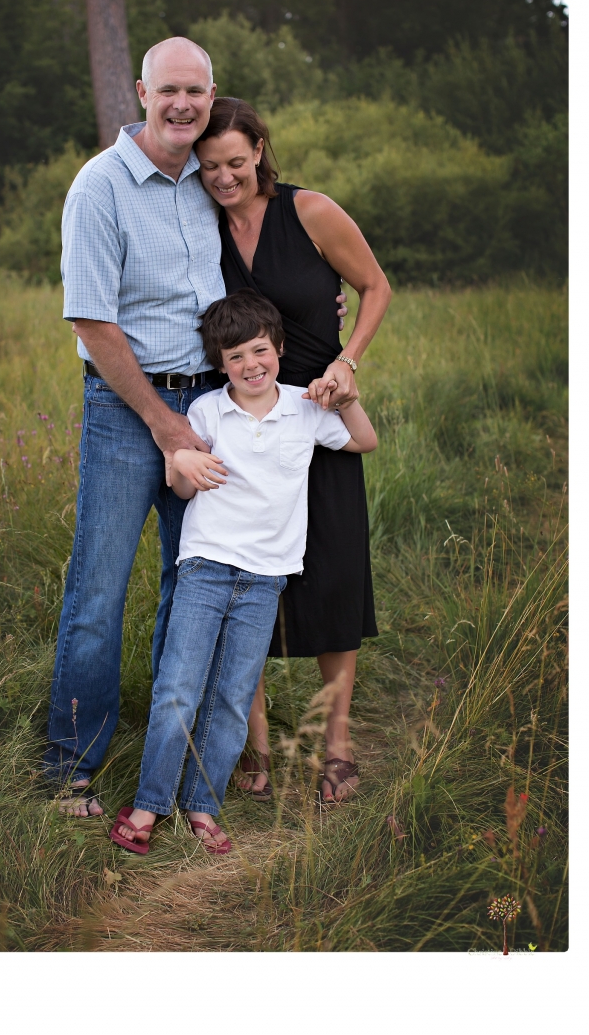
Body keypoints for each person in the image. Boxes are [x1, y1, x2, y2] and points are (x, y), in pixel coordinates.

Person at [110, 290, 378, 854]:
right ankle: (149, 803)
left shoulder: (305, 409)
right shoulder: (207, 410)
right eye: (235, 358)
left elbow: (364, 441)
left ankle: (202, 806)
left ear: (279, 348)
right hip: (205, 568)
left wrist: (344, 393)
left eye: (260, 351)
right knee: (180, 687)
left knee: (232, 696)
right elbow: (181, 485)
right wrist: (182, 463)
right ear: (220, 365)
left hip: (266, 578)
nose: (250, 365)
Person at [43, 37, 224, 815]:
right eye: (168, 90)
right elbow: (90, 318)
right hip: (127, 411)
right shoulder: (100, 187)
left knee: (195, 584)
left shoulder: (213, 183)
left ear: (212, 96)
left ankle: (172, 747)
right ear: (141, 95)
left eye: (197, 91)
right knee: (98, 589)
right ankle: (72, 763)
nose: (183, 104)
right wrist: (162, 425)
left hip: (212, 407)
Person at [195, 97, 391, 803]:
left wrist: (349, 363)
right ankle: (256, 748)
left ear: (260, 151)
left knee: (333, 576)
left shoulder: (310, 212)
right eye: (210, 166)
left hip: (319, 411)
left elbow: (374, 287)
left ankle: (336, 746)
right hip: (245, 421)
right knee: (248, 579)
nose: (224, 178)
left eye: (237, 163)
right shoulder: (200, 226)